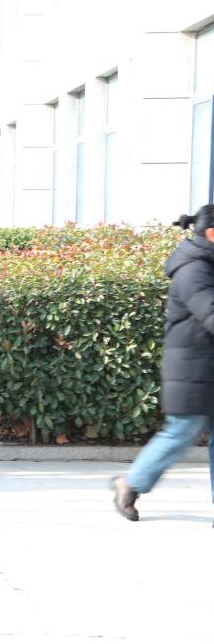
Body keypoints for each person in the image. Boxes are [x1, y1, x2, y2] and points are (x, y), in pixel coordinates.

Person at [112, 206, 214, 522]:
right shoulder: (194, 270)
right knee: (180, 433)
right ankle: (130, 483)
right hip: (192, 370)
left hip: (206, 367)